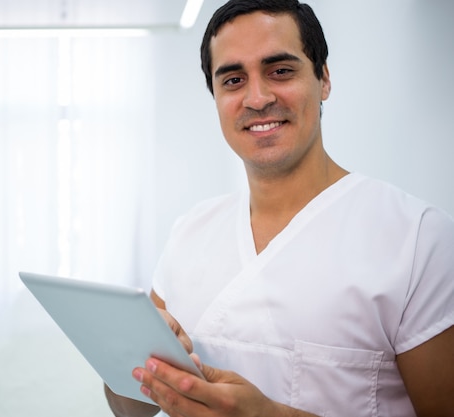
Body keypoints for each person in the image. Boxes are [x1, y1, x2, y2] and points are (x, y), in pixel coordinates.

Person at [104, 0, 454, 416]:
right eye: (233, 79)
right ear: (215, 97)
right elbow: (130, 409)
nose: (257, 98)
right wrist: (130, 361)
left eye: (281, 71)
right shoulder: (190, 230)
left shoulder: (417, 238)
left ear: (323, 79)